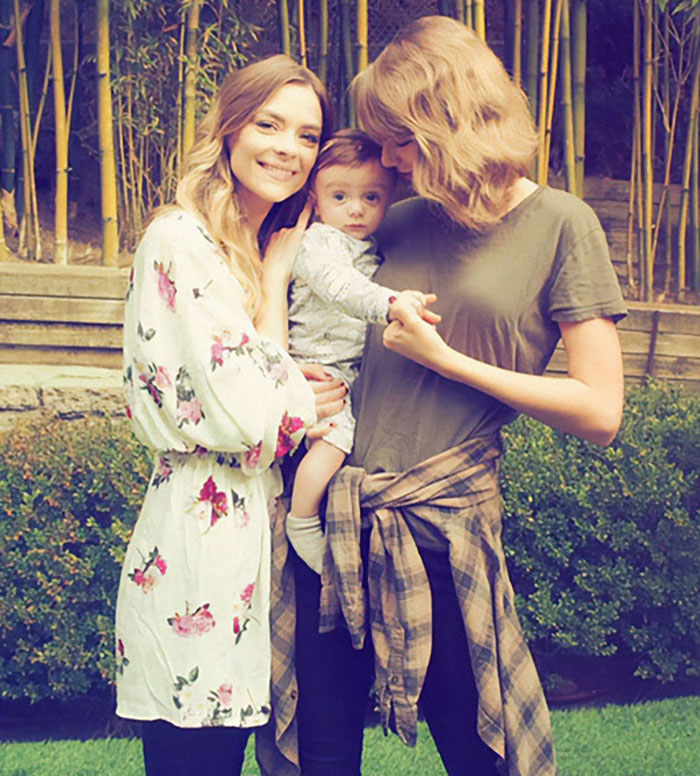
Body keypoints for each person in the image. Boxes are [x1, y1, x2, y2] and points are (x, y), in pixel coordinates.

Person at [286, 16, 627, 776]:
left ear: (449, 120)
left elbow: (602, 412)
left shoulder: (561, 226)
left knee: (481, 752)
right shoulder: (390, 219)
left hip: (444, 525)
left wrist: (451, 361)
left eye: (400, 139)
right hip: (336, 511)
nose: (388, 161)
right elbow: (295, 298)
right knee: (322, 752)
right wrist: (288, 380)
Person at [114, 55, 340, 776]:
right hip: (198, 535)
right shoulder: (183, 241)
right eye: (269, 124)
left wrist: (283, 386)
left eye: (307, 136)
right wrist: (295, 396)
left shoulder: (246, 244)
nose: (288, 148)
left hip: (251, 530)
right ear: (229, 128)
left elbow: (268, 393)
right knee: (195, 755)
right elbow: (252, 419)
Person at [284, 128, 437, 573]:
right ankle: (301, 520)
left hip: (344, 369)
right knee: (335, 442)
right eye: (340, 197)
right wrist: (389, 303)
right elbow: (339, 288)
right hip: (319, 366)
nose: (356, 209)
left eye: (371, 198)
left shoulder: (366, 244)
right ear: (314, 199)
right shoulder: (319, 242)